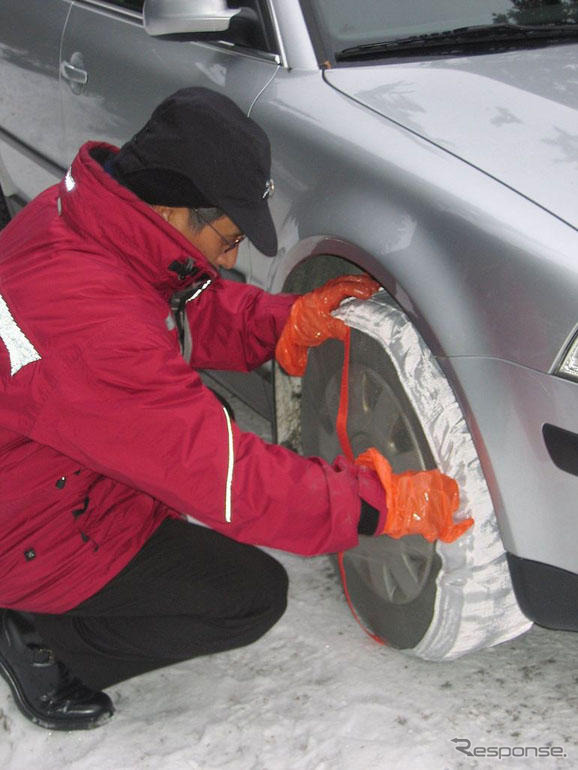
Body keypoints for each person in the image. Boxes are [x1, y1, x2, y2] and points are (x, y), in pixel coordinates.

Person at [0, 88, 464, 731]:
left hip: (36, 471)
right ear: (173, 207)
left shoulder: (74, 217)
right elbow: (228, 478)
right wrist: (374, 504)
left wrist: (283, 323)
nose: (230, 259)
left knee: (180, 435)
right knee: (246, 599)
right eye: (230, 236)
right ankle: (37, 635)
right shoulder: (91, 324)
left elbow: (172, 311)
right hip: (22, 529)